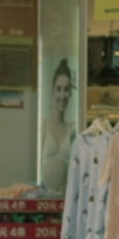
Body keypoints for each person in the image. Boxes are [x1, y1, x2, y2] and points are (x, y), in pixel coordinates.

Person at [42, 58, 76, 193]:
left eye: (66, 89)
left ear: (71, 93)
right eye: (59, 89)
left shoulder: (73, 129)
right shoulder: (43, 126)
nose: (62, 95)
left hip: (67, 196)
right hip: (43, 196)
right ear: (52, 91)